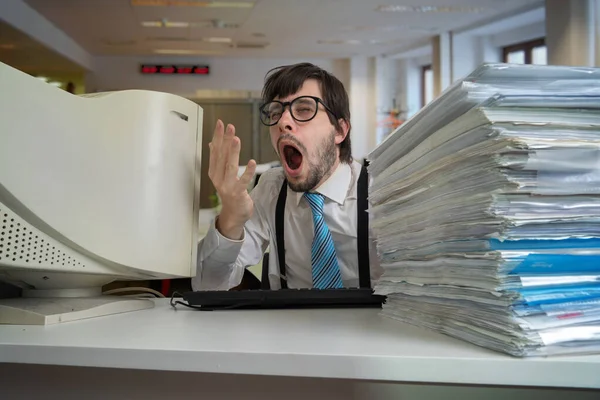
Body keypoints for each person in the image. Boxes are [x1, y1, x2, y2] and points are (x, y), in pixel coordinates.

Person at [192, 62, 382, 290]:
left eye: (303, 109)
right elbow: (207, 286)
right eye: (275, 112)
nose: (282, 122)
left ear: (339, 130)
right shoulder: (272, 189)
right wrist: (230, 220)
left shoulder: (380, 192)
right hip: (287, 324)